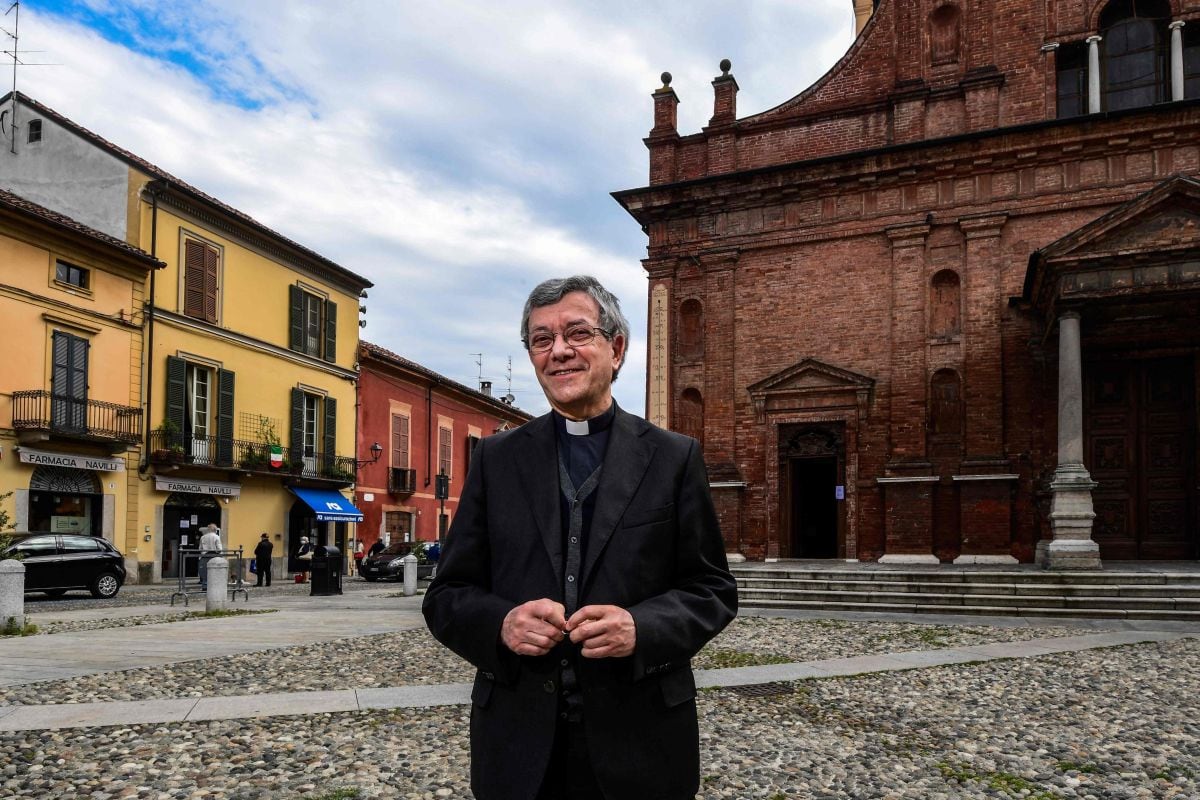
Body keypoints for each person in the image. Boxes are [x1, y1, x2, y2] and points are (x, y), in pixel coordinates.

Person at [423, 275, 737, 800]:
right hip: (518, 745)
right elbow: (447, 596)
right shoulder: (496, 460)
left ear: (616, 349)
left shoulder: (674, 458)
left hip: (642, 739)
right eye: (541, 340)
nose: (559, 352)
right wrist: (501, 624)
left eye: (576, 333)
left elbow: (712, 590)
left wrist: (642, 626)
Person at [198, 524, 222, 590]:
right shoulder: (216, 537)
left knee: (205, 571)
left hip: (204, 556)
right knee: (214, 572)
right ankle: (214, 586)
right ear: (215, 530)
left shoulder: (203, 537)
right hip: (214, 556)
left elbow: (200, 548)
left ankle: (205, 586)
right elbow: (219, 549)